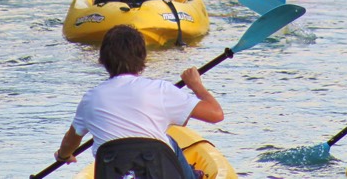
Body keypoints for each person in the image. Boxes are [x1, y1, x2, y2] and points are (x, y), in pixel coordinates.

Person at [54, 24, 224, 178]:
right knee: (168, 141)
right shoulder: (160, 90)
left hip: (112, 169)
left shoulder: (90, 99)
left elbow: (71, 141)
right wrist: (196, 86)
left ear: (103, 60)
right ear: (143, 58)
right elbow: (215, 114)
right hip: (159, 170)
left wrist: (63, 155)